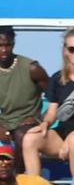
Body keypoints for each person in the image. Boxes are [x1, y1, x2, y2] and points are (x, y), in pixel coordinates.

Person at [22, 25, 74, 176]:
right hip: (64, 131)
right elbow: (52, 112)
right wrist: (45, 123)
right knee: (30, 138)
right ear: (65, 51)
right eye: (72, 49)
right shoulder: (57, 78)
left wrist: (70, 137)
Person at [0, 26, 49, 172]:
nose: (3, 49)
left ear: (13, 45)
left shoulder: (32, 68)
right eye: (0, 46)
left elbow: (56, 97)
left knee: (23, 135)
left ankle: (18, 178)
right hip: (4, 121)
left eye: (7, 45)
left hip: (28, 120)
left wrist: (42, 120)